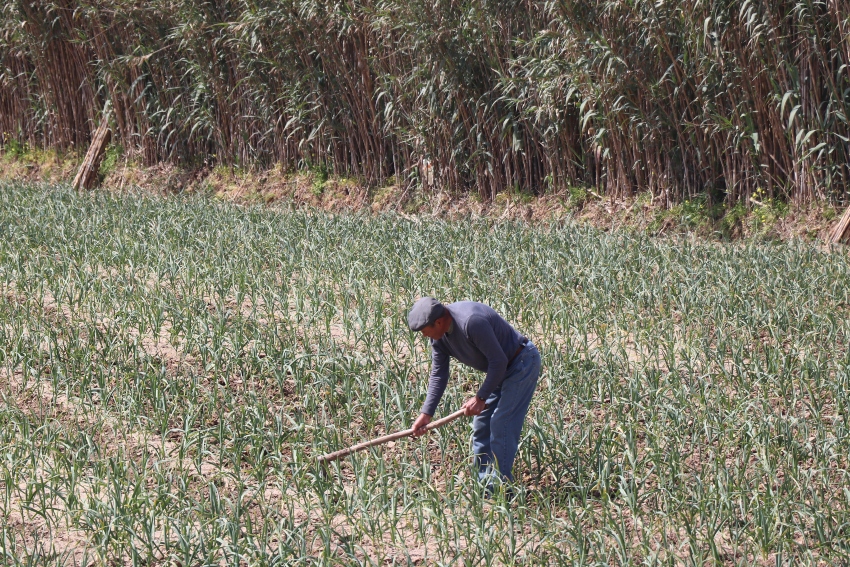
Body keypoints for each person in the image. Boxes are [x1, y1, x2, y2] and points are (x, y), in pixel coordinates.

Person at [407, 297, 541, 489]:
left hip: (520, 363)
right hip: (499, 370)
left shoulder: (471, 322)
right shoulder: (439, 338)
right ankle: (485, 485)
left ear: (438, 322)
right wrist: (426, 414)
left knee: (501, 423)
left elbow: (498, 361)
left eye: (424, 331)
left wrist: (480, 398)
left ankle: (501, 489)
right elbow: (439, 374)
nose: (424, 335)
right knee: (481, 424)